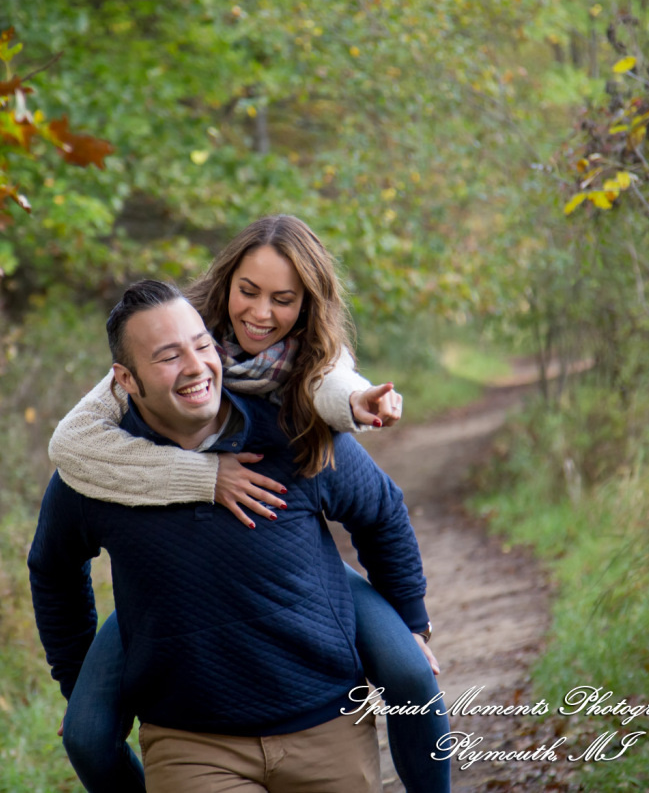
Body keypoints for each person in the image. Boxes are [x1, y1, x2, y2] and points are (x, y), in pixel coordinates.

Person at [48, 215, 450, 793]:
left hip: (302, 576)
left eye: (282, 299)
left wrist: (360, 400)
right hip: (164, 602)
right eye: (249, 292)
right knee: (86, 734)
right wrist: (204, 476)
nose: (261, 313)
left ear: (306, 306)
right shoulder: (183, 328)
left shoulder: (308, 360)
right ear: (226, 284)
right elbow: (71, 444)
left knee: (413, 674)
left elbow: (332, 389)